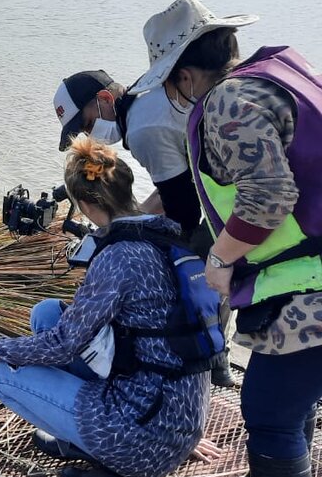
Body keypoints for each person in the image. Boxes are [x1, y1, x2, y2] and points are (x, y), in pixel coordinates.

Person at [140, 0, 322, 477]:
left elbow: (269, 195)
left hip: (310, 281)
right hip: (307, 273)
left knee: (269, 412)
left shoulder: (224, 101)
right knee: (289, 399)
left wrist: (220, 258)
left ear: (184, 75)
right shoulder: (282, 74)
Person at [0, 134, 211, 477]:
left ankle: (116, 466)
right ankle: (83, 438)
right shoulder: (162, 232)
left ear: (82, 202)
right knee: (48, 313)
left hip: (142, 435)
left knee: (2, 374)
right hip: (175, 411)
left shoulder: (119, 257)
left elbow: (64, 345)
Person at [53, 69, 238, 387]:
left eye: (85, 124)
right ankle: (215, 362)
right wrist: (132, 218)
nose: (90, 136)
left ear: (105, 99)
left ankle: (201, 367)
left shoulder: (142, 129)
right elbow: (179, 186)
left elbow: (182, 212)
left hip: (227, 203)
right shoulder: (145, 98)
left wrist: (130, 238)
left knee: (189, 274)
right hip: (225, 194)